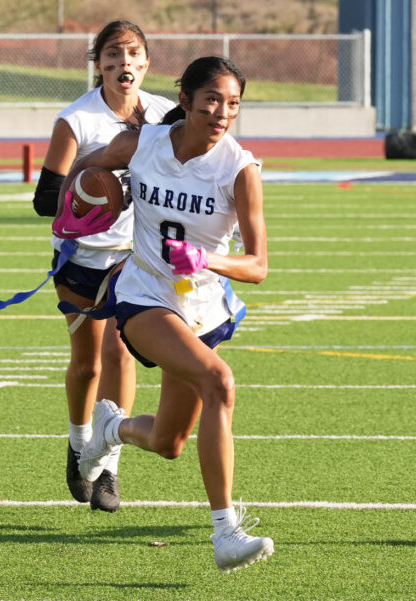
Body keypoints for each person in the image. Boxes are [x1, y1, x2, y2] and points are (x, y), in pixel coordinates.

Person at [53, 56, 274, 572]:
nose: (222, 113)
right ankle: (226, 533)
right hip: (144, 295)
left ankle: (112, 429)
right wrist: (78, 209)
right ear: (186, 100)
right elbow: (89, 171)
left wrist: (208, 259)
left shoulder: (240, 169)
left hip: (201, 305)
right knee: (220, 381)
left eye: (233, 104)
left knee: (169, 442)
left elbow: (258, 265)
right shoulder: (142, 143)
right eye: (213, 100)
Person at [32, 20, 175, 513]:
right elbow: (44, 200)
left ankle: (109, 466)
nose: (123, 64)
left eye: (132, 54)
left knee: (121, 355)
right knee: (87, 363)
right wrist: (90, 192)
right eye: (112, 56)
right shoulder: (76, 120)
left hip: (134, 259)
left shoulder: (163, 114)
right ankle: (77, 444)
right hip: (81, 259)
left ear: (146, 62)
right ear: (98, 65)